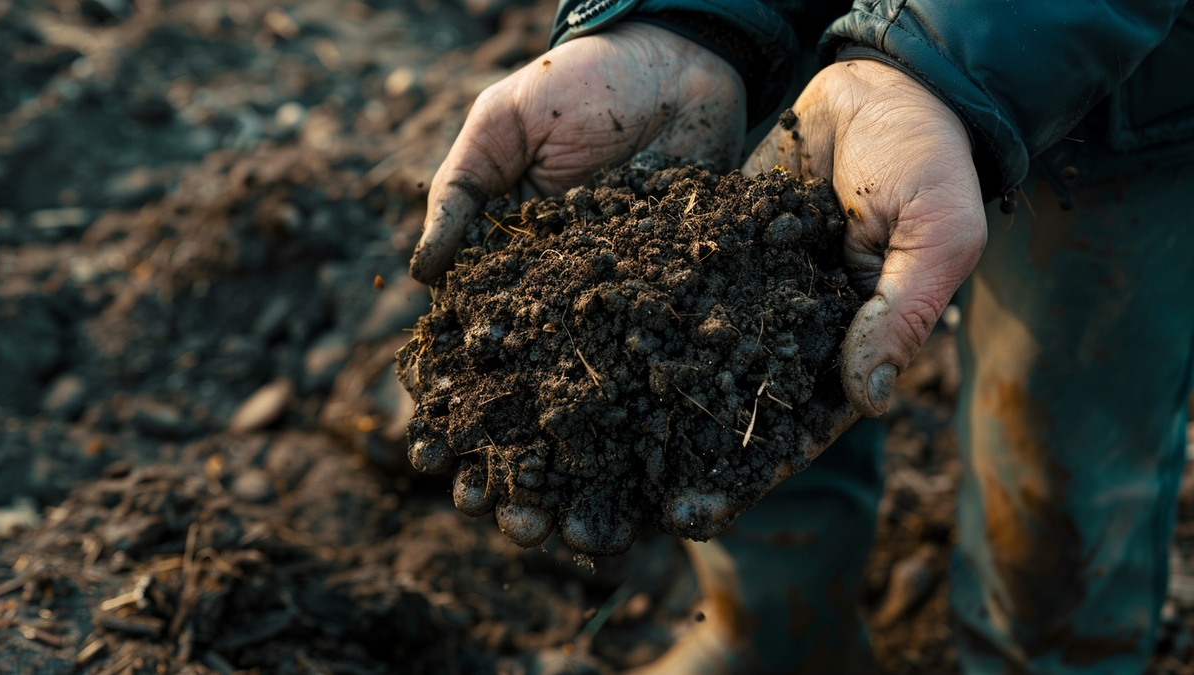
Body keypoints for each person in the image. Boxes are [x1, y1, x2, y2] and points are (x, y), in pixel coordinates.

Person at [409, 0, 1194, 672]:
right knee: (753, 408)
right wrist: (678, 16)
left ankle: (1047, 656)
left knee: (1069, 441)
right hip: (780, 31)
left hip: (1116, 86)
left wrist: (942, 65)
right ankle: (775, 634)